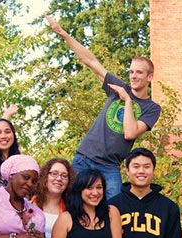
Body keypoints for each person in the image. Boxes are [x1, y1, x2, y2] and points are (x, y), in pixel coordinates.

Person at [46, 15, 161, 199]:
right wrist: (63, 34)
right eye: (131, 72)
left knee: (113, 209)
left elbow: (130, 133)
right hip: (84, 157)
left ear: (149, 77)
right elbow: (91, 61)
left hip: (110, 166)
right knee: (69, 203)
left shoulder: (151, 108)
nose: (133, 76)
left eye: (139, 72)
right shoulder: (118, 88)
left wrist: (128, 101)